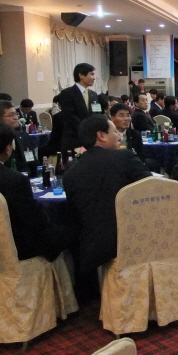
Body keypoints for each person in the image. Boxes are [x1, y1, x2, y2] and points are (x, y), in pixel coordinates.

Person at [63, 115, 151, 300]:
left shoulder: (71, 174)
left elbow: (75, 214)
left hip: (92, 245)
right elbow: (150, 188)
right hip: (131, 238)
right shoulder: (124, 157)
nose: (119, 136)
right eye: (115, 131)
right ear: (101, 136)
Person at [0, 122, 72, 261]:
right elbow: (34, 222)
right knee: (73, 229)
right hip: (18, 248)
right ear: (8, 148)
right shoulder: (14, 180)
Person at [58, 63, 99, 151]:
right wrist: (86, 128)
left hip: (91, 139)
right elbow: (69, 116)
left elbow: (97, 113)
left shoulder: (94, 95)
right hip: (74, 138)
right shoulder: (67, 93)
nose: (94, 78)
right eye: (91, 74)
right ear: (81, 75)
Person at [110, 103, 160, 172]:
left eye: (128, 115)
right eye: (122, 116)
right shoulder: (108, 135)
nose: (126, 119)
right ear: (112, 118)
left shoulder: (135, 134)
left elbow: (141, 155)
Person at [1, 100, 38, 176]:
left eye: (16, 114)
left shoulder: (23, 136)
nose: (15, 118)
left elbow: (32, 162)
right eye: (11, 115)